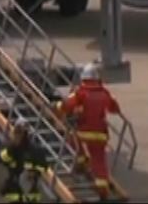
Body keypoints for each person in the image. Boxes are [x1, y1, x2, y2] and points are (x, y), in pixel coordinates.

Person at [56, 62, 120, 200]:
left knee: (70, 138)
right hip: (101, 134)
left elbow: (67, 105)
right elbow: (114, 108)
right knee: (99, 161)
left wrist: (57, 107)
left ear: (83, 78)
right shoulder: (105, 93)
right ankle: (103, 189)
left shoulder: (80, 93)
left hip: (84, 132)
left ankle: (81, 160)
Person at [0, 118, 48, 203]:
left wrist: (34, 172)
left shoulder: (36, 149)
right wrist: (13, 147)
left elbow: (44, 166)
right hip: (14, 186)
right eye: (18, 132)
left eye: (22, 133)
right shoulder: (8, 146)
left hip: (31, 188)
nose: (20, 135)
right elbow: (3, 159)